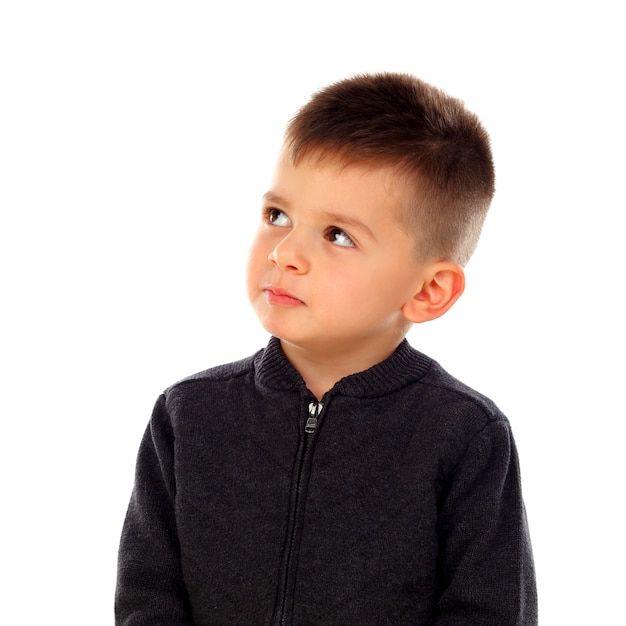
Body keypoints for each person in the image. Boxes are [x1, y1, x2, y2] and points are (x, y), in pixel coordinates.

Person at [115, 72, 538, 625]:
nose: (285, 252)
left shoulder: (464, 433)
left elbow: (490, 612)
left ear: (429, 290)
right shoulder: (189, 413)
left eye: (338, 234)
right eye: (278, 216)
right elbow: (148, 597)